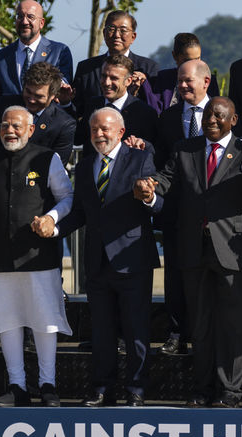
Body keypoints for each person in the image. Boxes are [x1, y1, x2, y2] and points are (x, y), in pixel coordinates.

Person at [134, 97, 242, 408]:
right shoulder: (184, 149)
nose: (212, 120)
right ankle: (203, 388)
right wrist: (149, 188)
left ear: (233, 120)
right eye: (208, 114)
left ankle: (230, 392)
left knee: (233, 327)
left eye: (220, 116)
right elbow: (166, 180)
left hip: (232, 255)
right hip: (194, 252)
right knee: (201, 326)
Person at [55, 107, 162, 407]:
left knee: (136, 331)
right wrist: (53, 230)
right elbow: (79, 213)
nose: (99, 134)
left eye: (105, 129)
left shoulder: (140, 159)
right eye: (94, 130)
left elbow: (156, 203)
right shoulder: (87, 165)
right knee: (101, 332)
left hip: (132, 260)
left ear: (120, 132)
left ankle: (137, 390)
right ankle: (103, 388)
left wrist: (150, 197)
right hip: (97, 263)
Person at [0, 106, 73, 407]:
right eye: (5, 125)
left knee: (44, 320)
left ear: (30, 129)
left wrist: (51, 219)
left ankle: (48, 385)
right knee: (5, 319)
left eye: (17, 126)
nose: (10, 130)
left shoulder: (47, 158)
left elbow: (67, 197)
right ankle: (17, 386)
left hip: (37, 255)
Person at [152, 59, 213, 355]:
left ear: (206, 82)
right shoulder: (168, 117)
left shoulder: (223, 112)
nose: (183, 86)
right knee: (175, 277)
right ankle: (176, 332)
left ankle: (209, 334)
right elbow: (162, 165)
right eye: (179, 81)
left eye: (188, 80)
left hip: (216, 216)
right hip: (178, 212)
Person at [70, 10, 159, 118]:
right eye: (111, 29)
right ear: (104, 33)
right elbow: (77, 109)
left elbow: (155, 107)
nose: (116, 35)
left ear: (133, 36)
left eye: (123, 30)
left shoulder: (148, 68)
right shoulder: (86, 68)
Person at [0, 62, 76, 166]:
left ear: (53, 96)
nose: (31, 100)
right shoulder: (5, 106)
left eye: (39, 96)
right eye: (28, 92)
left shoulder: (64, 124)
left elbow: (56, 166)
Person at [0, 0, 73, 111]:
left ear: (42, 23)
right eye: (20, 16)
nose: (24, 22)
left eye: (30, 17)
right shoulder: (1, 57)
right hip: (13, 124)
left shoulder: (60, 52)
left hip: (46, 124)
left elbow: (62, 91)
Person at [74, 55, 158, 151]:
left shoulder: (145, 113)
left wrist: (141, 145)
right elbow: (77, 138)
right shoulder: (93, 105)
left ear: (128, 81)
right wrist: (66, 104)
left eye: (114, 78)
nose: (106, 83)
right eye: (104, 76)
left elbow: (154, 151)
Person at [140, 32, 220, 115]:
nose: (193, 64)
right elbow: (156, 108)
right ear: (175, 56)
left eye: (197, 59)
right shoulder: (164, 78)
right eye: (187, 60)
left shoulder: (208, 79)